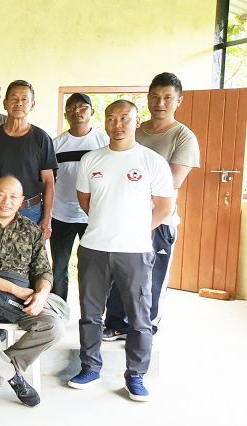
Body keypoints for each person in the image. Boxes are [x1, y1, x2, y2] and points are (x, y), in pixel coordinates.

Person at [69, 100, 174, 402]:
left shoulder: (152, 161)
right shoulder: (91, 159)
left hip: (135, 251)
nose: (117, 124)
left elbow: (165, 208)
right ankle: (89, 367)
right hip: (94, 248)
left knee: (139, 316)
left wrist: (138, 231)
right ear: (105, 122)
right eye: (112, 118)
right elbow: (85, 201)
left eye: (124, 118)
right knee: (90, 314)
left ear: (136, 120)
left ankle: (136, 375)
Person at [103, 72, 200, 341]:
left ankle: (145, 327)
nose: (160, 103)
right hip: (120, 219)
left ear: (178, 101)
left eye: (168, 98)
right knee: (117, 274)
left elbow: (172, 182)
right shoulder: (134, 130)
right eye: (155, 97)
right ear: (147, 99)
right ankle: (115, 323)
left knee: (151, 277)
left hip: (157, 220)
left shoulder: (183, 137)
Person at [0, 175, 68, 408]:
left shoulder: (32, 230)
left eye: (13, 196)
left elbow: (44, 271)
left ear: (21, 201)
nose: (6, 201)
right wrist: (16, 290)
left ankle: (1, 367)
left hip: (19, 299)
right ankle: (14, 378)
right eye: (0, 194)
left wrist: (40, 295)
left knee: (54, 326)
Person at [0, 80, 57, 240]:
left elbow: (49, 182)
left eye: (24, 99)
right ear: (5, 103)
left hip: (30, 211)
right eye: (14, 98)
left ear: (32, 104)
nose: (19, 103)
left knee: (28, 261)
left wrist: (47, 218)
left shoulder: (41, 138)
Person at [50, 93, 108, 301]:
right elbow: (49, 180)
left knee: (92, 266)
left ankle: (92, 313)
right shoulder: (56, 144)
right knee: (59, 267)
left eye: (82, 107)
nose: (76, 111)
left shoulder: (104, 142)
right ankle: (58, 310)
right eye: (71, 107)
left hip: (92, 215)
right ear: (65, 114)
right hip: (61, 214)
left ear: (92, 112)